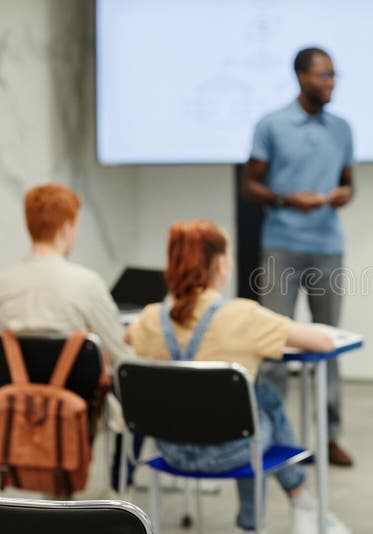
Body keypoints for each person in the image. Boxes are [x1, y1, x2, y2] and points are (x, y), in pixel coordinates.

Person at [126, 220, 350, 534]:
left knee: (255, 399)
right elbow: (323, 343)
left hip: (171, 451)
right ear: (220, 264)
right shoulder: (244, 316)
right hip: (232, 452)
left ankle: (298, 506)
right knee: (262, 401)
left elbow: (126, 341)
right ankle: (293, 507)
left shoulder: (150, 319)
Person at [241, 46, 355, 467]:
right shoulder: (271, 124)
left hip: (327, 246)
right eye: (324, 75)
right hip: (280, 244)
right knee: (274, 345)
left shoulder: (342, 128)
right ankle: (270, 434)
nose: (330, 82)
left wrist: (342, 194)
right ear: (301, 77)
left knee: (329, 343)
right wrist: (286, 200)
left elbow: (348, 182)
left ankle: (330, 436)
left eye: (333, 75)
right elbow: (249, 185)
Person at [0, 183, 132, 365]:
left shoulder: (3, 284)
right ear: (66, 228)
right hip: (78, 394)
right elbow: (123, 358)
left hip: (12, 394)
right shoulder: (88, 285)